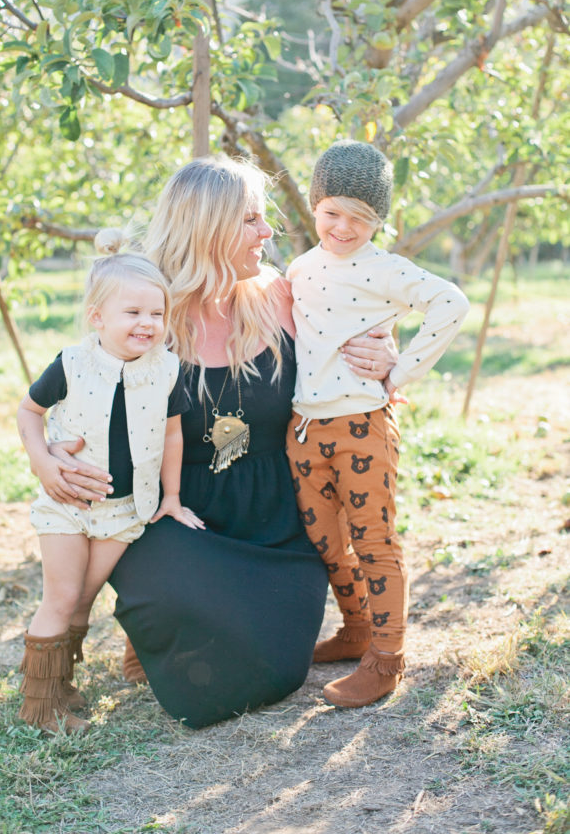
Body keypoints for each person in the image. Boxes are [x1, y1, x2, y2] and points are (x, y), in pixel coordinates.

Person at [46, 155, 397, 729]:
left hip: (275, 519)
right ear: (208, 226)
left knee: (273, 672)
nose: (269, 232)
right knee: (203, 677)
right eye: (252, 220)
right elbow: (83, 398)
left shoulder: (284, 295)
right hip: (175, 516)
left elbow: (366, 340)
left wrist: (387, 358)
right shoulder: (145, 308)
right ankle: (153, 616)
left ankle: (174, 624)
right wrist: (53, 450)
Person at [285, 141, 470, 708]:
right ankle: (357, 629)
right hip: (304, 429)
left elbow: (452, 304)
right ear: (314, 206)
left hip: (361, 424)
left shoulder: (385, 269)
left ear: (379, 221)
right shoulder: (298, 268)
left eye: (361, 218)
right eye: (332, 211)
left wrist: (400, 370)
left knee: (374, 540)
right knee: (327, 540)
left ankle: (386, 659)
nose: (344, 227)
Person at [15, 229, 202, 732]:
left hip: (124, 508)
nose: (147, 324)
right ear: (98, 317)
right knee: (60, 596)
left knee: (83, 600)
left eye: (156, 314)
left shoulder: (166, 370)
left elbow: (173, 436)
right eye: (133, 313)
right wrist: (42, 461)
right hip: (69, 501)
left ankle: (61, 684)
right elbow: (30, 412)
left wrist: (172, 497)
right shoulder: (73, 364)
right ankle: (40, 707)